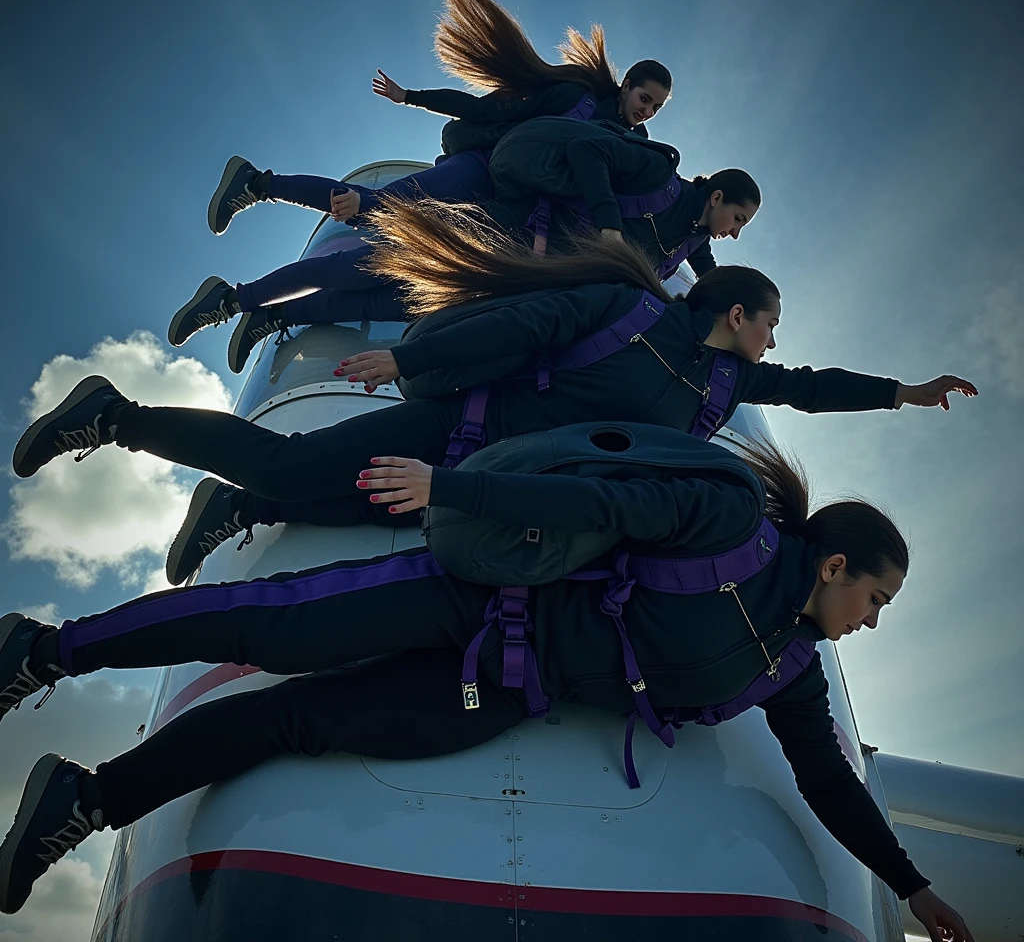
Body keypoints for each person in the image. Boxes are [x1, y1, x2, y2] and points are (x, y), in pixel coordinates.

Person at [0, 440, 975, 941]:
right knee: (269, 617)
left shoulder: (789, 666)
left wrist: (912, 886)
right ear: (834, 562)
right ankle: (46, 651)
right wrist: (448, 485)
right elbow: (593, 504)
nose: (872, 619)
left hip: (512, 687)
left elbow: (832, 783)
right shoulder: (730, 524)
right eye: (875, 597)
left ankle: (83, 801)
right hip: (472, 593)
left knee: (298, 720)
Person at [14, 201, 976, 583]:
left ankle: (236, 506)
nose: (776, 341)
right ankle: (113, 414)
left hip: (517, 481)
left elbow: (809, 388)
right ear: (735, 309)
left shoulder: (723, 384)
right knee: (299, 466)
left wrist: (904, 392)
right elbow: (517, 329)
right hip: (465, 427)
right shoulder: (631, 312)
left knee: (381, 518)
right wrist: (409, 364)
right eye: (771, 321)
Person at [173, 157, 757, 373]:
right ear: (716, 196)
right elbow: (584, 157)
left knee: (388, 298)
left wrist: (738, 316)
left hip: (505, 277)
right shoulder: (657, 178)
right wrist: (603, 220)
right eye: (738, 218)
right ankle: (253, 212)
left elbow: (715, 280)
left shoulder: (688, 242)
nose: (734, 234)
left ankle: (265, 313)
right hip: (499, 220)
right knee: (372, 217)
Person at [204, 0, 672, 238]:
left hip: (515, 207)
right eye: (644, 98)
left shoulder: (635, 146)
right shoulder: (575, 98)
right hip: (485, 166)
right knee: (383, 205)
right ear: (626, 85)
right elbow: (487, 111)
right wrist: (410, 98)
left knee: (413, 234)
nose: (646, 111)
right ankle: (259, 183)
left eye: (656, 108)